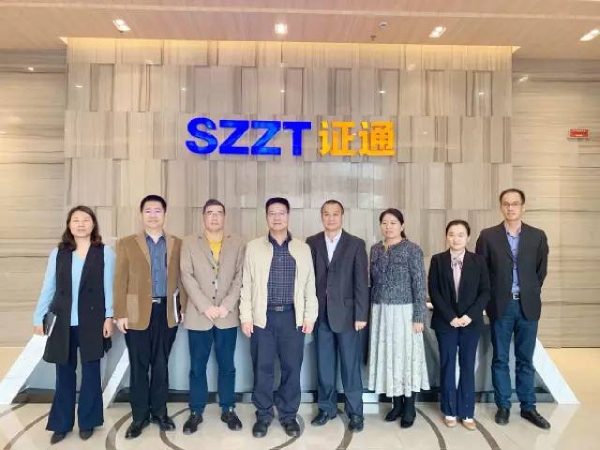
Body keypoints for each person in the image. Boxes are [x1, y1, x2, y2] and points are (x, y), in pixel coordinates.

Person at [33, 205, 115, 445]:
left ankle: (88, 422)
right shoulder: (58, 253)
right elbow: (49, 287)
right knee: (64, 375)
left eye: (85, 220)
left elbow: (109, 287)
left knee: (91, 374)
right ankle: (61, 424)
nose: (80, 224)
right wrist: (38, 317)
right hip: (62, 323)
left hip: (93, 322)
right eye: (75, 220)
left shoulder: (104, 252)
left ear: (93, 224)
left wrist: (109, 316)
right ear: (69, 225)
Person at [240, 197, 318, 438]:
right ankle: (263, 415)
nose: (277, 217)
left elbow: (310, 285)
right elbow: (246, 283)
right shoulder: (253, 247)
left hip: (292, 317)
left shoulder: (302, 248)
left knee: (291, 368)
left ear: (288, 216)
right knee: (262, 368)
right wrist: (246, 316)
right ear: (266, 217)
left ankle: (288, 415)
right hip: (262, 317)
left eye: (281, 213)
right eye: (272, 213)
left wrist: (309, 315)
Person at [475, 188, 550, 429]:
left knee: (525, 359)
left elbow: (540, 271)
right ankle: (503, 406)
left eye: (515, 203)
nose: (510, 207)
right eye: (506, 204)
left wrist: (529, 291)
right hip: (501, 306)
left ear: (523, 207)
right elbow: (482, 271)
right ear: (501, 207)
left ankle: (528, 407)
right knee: (500, 359)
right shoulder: (488, 236)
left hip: (528, 305)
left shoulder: (537, 236)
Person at [114, 195, 187, 439]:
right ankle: (139, 417)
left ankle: (160, 412)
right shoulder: (127, 243)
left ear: (165, 214)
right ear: (141, 214)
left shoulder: (177, 243)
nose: (153, 215)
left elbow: (183, 278)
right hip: (136, 313)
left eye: (158, 210)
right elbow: (120, 280)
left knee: (161, 364)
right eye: (148, 210)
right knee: (139, 366)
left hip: (167, 312)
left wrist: (183, 306)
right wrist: (120, 313)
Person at [180, 199, 245, 434]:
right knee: (197, 366)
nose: (214, 217)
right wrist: (205, 306)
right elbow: (186, 276)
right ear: (203, 217)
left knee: (227, 365)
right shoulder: (189, 242)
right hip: (200, 315)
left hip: (227, 315)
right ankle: (196, 411)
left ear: (224, 217)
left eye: (219, 213)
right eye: (210, 213)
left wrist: (226, 306)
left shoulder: (238, 243)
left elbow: (240, 277)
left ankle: (228, 408)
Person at [306, 200, 368, 433]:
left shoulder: (355, 244)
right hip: (321, 315)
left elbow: (361, 282)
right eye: (326, 214)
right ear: (321, 216)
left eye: (335, 214)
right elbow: (307, 280)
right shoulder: (312, 242)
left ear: (342, 216)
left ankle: (355, 412)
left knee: (350, 366)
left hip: (348, 315)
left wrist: (361, 314)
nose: (330, 218)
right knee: (324, 365)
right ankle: (326, 408)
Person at [368, 208, 429, 428]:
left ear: (402, 225)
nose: (388, 227)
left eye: (393, 222)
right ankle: (396, 404)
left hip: (405, 312)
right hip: (380, 311)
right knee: (389, 358)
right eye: (384, 223)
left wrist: (419, 316)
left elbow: (419, 284)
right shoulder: (375, 249)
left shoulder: (412, 249)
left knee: (405, 358)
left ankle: (409, 407)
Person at [428, 220, 490, 430]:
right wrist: (451, 317)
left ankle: (467, 411)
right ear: (447, 236)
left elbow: (485, 292)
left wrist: (469, 316)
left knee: (467, 365)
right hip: (446, 323)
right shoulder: (438, 260)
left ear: (468, 237)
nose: (456, 238)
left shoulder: (478, 261)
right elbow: (434, 291)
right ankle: (449, 410)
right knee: (447, 365)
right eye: (452, 234)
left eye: (461, 234)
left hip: (470, 323)